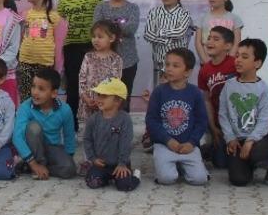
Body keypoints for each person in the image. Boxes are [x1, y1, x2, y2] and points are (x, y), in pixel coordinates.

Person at [219, 39, 268, 187]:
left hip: (258, 139)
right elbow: (223, 114)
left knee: (256, 153)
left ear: (257, 63)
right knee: (238, 180)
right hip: (236, 138)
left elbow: (265, 121)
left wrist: (251, 140)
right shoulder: (229, 85)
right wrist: (230, 138)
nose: (238, 60)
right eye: (237, 55)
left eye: (245, 57)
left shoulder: (264, 90)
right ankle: (249, 165)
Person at [146, 48, 209, 186]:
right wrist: (168, 141)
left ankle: (185, 165)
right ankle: (172, 167)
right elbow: (151, 121)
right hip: (165, 145)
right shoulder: (158, 92)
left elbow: (201, 121)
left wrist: (192, 142)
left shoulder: (195, 93)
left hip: (188, 146)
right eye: (167, 64)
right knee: (167, 179)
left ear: (187, 71)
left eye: (175, 66)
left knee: (199, 179)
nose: (169, 69)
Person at [57, 0, 103, 130]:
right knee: (73, 88)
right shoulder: (62, 2)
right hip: (70, 49)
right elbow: (59, 28)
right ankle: (72, 125)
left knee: (94, 85)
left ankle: (95, 124)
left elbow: (101, 25)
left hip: (91, 48)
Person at [12, 67, 77, 180]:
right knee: (33, 127)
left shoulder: (65, 109)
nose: (35, 92)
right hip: (34, 149)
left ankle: (34, 168)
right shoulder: (26, 107)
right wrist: (34, 163)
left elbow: (69, 136)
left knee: (69, 169)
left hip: (53, 148)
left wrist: (68, 158)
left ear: (53, 93)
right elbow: (17, 137)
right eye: (33, 86)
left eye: (41, 89)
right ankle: (34, 165)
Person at [83, 78, 140, 192]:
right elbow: (87, 139)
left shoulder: (125, 119)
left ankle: (135, 176)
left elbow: (126, 142)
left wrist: (122, 163)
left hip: (120, 164)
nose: (99, 99)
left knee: (124, 186)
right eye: (98, 95)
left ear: (117, 101)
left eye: (104, 96)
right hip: (101, 164)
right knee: (93, 182)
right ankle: (106, 178)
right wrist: (93, 159)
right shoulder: (93, 119)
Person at [93, 0, 140, 104]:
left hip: (128, 61)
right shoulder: (100, 7)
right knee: (104, 98)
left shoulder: (133, 8)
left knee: (123, 99)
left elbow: (131, 29)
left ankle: (122, 124)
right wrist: (119, 24)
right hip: (104, 61)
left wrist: (108, 25)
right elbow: (97, 30)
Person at [17, 0, 66, 101]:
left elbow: (59, 45)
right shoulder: (25, 14)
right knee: (26, 98)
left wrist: (58, 68)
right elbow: (21, 37)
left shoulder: (54, 17)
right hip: (25, 62)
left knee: (44, 99)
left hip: (45, 65)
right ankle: (26, 120)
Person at [197, 26, 237, 169]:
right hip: (217, 121)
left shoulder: (235, 64)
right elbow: (207, 100)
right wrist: (213, 126)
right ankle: (209, 148)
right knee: (221, 164)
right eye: (209, 38)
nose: (210, 42)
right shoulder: (204, 69)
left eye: (216, 39)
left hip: (235, 121)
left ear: (228, 46)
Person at [143, 0, 193, 83]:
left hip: (179, 64)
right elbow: (148, 34)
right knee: (162, 93)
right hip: (160, 62)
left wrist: (160, 32)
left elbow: (180, 32)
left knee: (178, 92)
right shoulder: (154, 12)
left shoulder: (184, 13)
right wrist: (165, 41)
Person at [78, 19, 124, 128]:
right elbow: (82, 79)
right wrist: (85, 98)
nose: (95, 40)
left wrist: (102, 100)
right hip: (89, 102)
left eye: (100, 37)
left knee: (105, 130)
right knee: (90, 131)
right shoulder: (88, 57)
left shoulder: (116, 59)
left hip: (107, 104)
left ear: (112, 38)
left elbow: (115, 84)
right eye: (94, 36)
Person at [194, 0, 243, 64]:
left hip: (227, 65)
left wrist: (228, 61)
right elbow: (198, 42)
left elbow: (236, 42)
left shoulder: (234, 18)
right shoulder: (202, 18)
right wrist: (206, 61)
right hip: (207, 63)